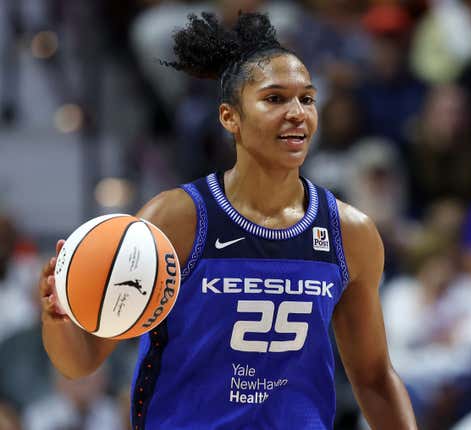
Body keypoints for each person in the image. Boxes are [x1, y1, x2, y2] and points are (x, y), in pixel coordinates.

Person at [38, 12, 417, 430]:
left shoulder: (351, 233)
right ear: (229, 117)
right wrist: (58, 314)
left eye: (306, 98)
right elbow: (81, 361)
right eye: (275, 99)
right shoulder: (177, 219)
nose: (297, 113)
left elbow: (375, 381)